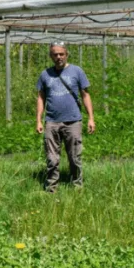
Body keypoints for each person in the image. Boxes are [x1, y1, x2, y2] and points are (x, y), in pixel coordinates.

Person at [36, 40, 95, 192]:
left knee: (75, 157)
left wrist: (91, 118)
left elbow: (85, 95)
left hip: (73, 121)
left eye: (61, 54)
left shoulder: (77, 71)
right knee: (52, 158)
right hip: (52, 121)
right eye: (55, 54)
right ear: (51, 56)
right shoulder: (45, 74)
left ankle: (77, 185)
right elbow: (41, 98)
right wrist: (38, 120)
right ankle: (51, 188)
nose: (59, 57)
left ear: (67, 54)